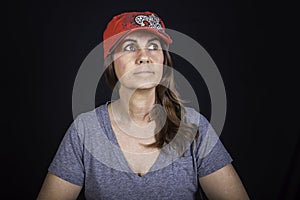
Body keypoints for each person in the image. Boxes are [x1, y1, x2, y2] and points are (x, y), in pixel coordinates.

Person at [37, 11, 249, 199]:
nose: (144, 57)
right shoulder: (85, 131)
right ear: (110, 62)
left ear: (163, 61)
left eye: (153, 46)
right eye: (130, 47)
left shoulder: (194, 127)